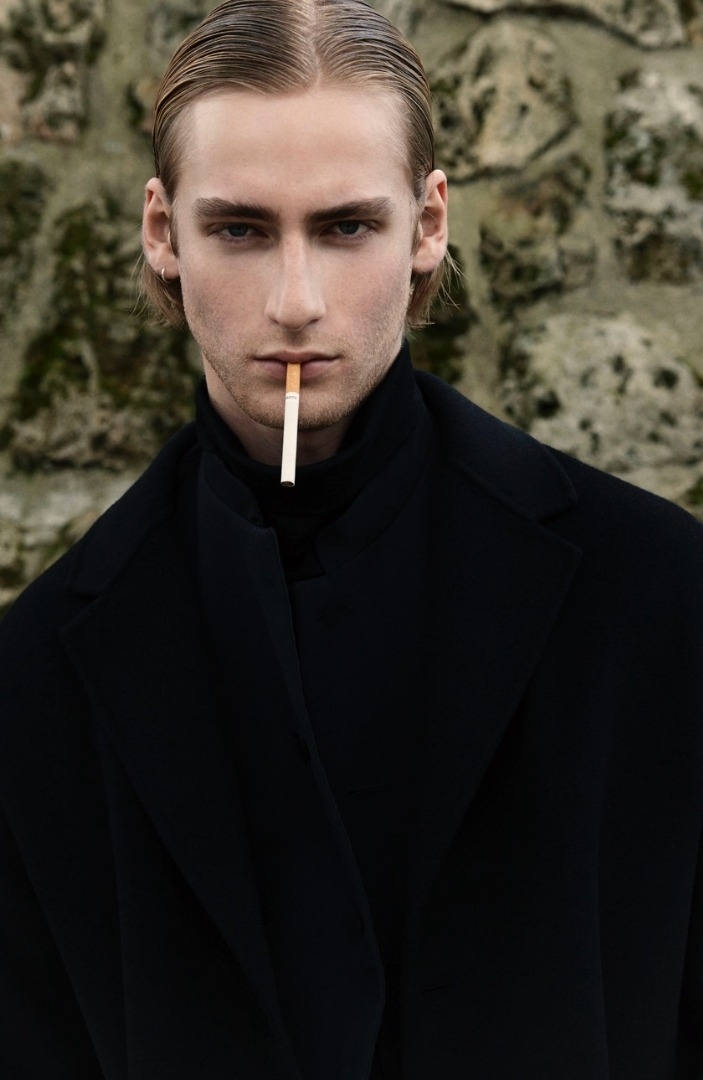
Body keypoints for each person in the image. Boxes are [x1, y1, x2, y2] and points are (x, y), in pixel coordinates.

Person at [0, 0, 701, 1076]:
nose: (295, 303)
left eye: (345, 228)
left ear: (427, 226)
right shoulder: (35, 685)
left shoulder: (655, 598)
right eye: (239, 230)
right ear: (162, 234)